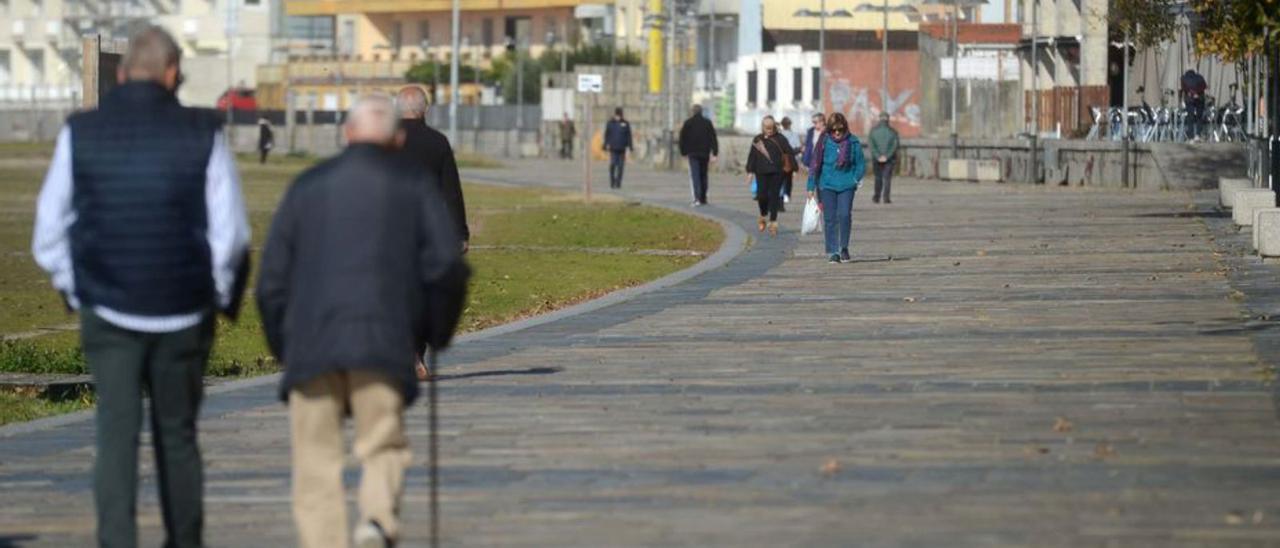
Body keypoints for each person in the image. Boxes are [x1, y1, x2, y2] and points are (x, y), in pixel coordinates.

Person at [31, 25, 251, 547]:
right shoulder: (203, 130)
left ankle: (117, 539)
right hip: (182, 310)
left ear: (125, 72)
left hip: (109, 309)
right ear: (174, 73)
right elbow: (232, 234)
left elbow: (48, 232)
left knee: (116, 436)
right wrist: (214, 294)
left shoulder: (81, 131)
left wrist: (78, 288)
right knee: (178, 437)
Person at [256, 93, 471, 548]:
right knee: (383, 444)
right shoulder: (412, 190)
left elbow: (272, 279)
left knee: (316, 461)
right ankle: (376, 520)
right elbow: (447, 269)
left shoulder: (307, 187)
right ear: (395, 140)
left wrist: (284, 345)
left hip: (312, 344)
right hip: (383, 341)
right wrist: (438, 331)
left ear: (346, 134)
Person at [806, 112, 865, 264]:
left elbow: (860, 164)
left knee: (844, 215)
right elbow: (815, 165)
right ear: (829, 130)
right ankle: (833, 251)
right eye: (833, 130)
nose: (837, 133)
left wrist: (855, 179)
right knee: (830, 219)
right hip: (827, 185)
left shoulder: (853, 142)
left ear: (845, 128)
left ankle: (843, 247)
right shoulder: (823, 142)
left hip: (847, 184)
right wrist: (810, 186)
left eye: (840, 130)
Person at [744, 116, 795, 237]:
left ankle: (773, 222)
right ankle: (762, 215)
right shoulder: (757, 139)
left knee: (774, 196)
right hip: (761, 172)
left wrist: (790, 168)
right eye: (767, 128)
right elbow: (752, 156)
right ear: (763, 127)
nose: (770, 130)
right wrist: (750, 172)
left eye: (772, 128)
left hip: (777, 172)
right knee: (761, 195)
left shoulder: (780, 138)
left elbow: (789, 152)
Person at [678, 104, 718, 207]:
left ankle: (697, 198)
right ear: (701, 112)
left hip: (693, 153)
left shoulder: (688, 123)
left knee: (695, 175)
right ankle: (703, 198)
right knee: (703, 175)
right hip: (704, 153)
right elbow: (713, 137)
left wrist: (683, 152)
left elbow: (682, 138)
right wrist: (714, 152)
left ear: (692, 112)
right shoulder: (707, 123)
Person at [868, 111, 899, 204]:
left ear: (879, 119)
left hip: (876, 158)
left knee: (878, 178)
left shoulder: (873, 131)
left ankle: (876, 197)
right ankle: (886, 198)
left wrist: (878, 155)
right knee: (887, 178)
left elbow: (871, 145)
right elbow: (895, 145)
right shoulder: (893, 132)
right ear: (888, 119)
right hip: (889, 159)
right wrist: (887, 156)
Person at [603, 107, 633, 189]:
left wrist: (630, 147)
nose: (618, 117)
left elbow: (628, 136)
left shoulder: (625, 123)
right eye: (617, 115)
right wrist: (605, 145)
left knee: (620, 167)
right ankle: (612, 181)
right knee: (612, 165)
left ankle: (618, 182)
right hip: (613, 148)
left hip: (622, 149)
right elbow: (607, 135)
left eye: (619, 115)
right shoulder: (610, 123)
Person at [779, 116, 802, 207]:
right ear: (790, 125)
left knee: (780, 179)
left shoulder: (779, 135)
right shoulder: (794, 135)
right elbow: (798, 147)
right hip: (790, 159)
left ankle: (780, 196)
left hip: (780, 159)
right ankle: (786, 195)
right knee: (788, 179)